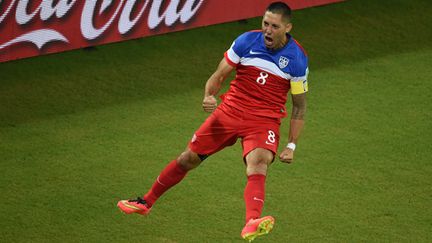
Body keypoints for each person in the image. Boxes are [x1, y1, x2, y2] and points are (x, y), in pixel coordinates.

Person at [117, 1, 308, 241]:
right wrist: (209, 95)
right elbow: (219, 75)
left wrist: (291, 145)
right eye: (265, 24)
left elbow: (299, 107)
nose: (268, 30)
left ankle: (252, 221)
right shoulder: (246, 42)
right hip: (229, 111)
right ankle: (146, 202)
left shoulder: (297, 59)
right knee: (187, 159)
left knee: (258, 164)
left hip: (263, 120)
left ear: (287, 27)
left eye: (274, 26)